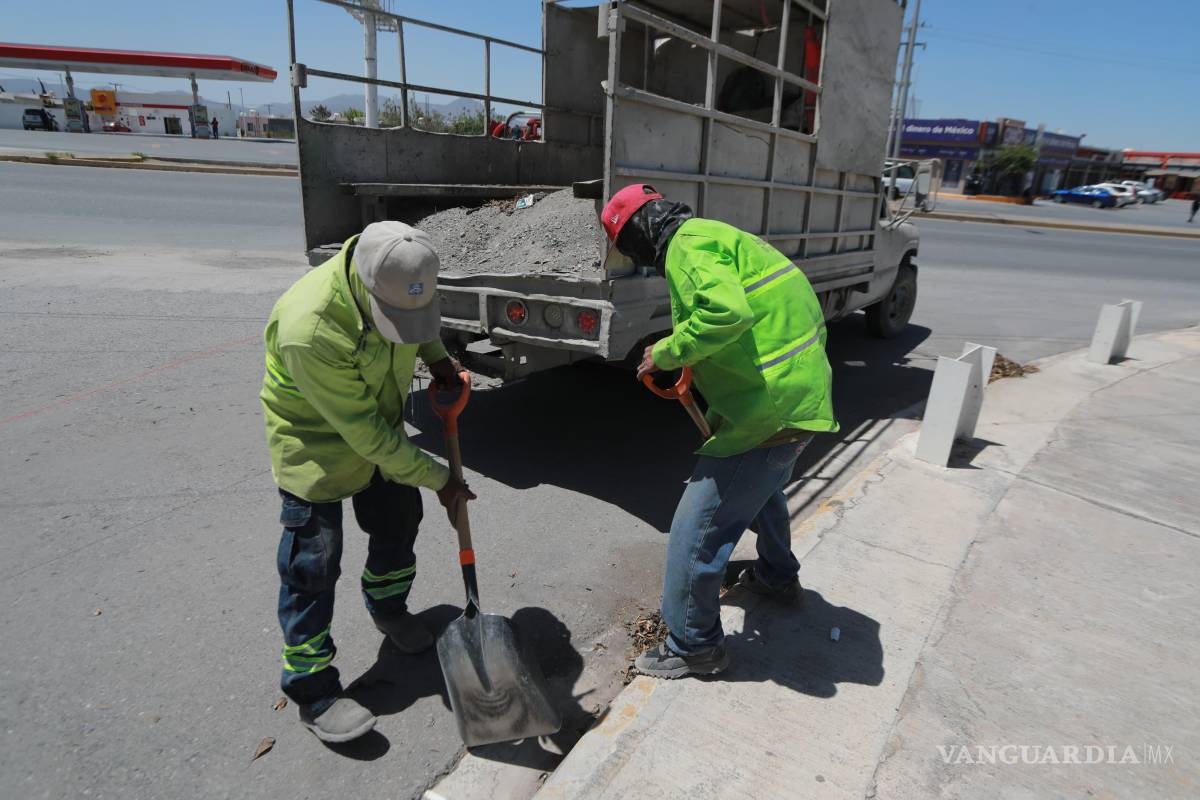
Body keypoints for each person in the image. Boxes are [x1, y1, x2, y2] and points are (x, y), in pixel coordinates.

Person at [600, 184, 837, 679]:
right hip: (797, 398)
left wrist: (666, 352)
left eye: (625, 248)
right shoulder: (718, 235)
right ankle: (775, 575)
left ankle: (693, 645)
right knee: (761, 489)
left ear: (638, 235)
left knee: (696, 531)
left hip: (769, 410)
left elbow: (726, 313)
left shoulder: (685, 247)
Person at [260, 221, 475, 742]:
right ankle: (312, 689)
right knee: (313, 567)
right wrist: (442, 478)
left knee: (399, 528)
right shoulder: (308, 327)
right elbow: (368, 438)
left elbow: (416, 328)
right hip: (318, 452)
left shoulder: (404, 277)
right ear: (364, 285)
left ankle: (388, 608)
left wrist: (440, 361)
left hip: (383, 439)